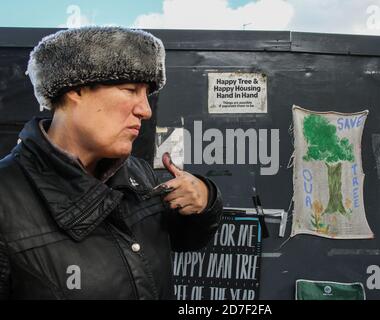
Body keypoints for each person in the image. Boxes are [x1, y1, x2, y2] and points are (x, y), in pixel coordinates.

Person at [0, 26, 223, 299]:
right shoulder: (6, 198)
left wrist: (204, 198)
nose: (145, 110)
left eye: (146, 94)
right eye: (130, 89)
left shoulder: (139, 174)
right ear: (76, 89)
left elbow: (187, 241)